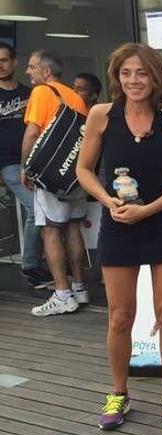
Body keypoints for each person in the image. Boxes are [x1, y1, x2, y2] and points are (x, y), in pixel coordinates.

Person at [76, 43, 162, 430]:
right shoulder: (101, 116)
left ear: (156, 77)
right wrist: (108, 200)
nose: (133, 80)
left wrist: (147, 209)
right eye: (126, 73)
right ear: (117, 77)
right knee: (120, 316)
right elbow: (84, 170)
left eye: (141, 73)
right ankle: (119, 393)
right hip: (119, 224)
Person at [20, 50, 89, 316]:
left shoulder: (41, 92)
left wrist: (26, 167)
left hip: (49, 175)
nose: (28, 72)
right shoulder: (74, 96)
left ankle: (62, 293)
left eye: (32, 67)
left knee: (50, 230)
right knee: (73, 228)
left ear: (46, 71)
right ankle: (80, 287)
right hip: (74, 174)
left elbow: (32, 132)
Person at [0, 41, 51, 289]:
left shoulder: (28, 93)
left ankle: (45, 261)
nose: (0, 65)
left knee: (47, 209)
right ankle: (31, 265)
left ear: (14, 62)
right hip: (8, 164)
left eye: (4, 60)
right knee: (36, 208)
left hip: (34, 162)